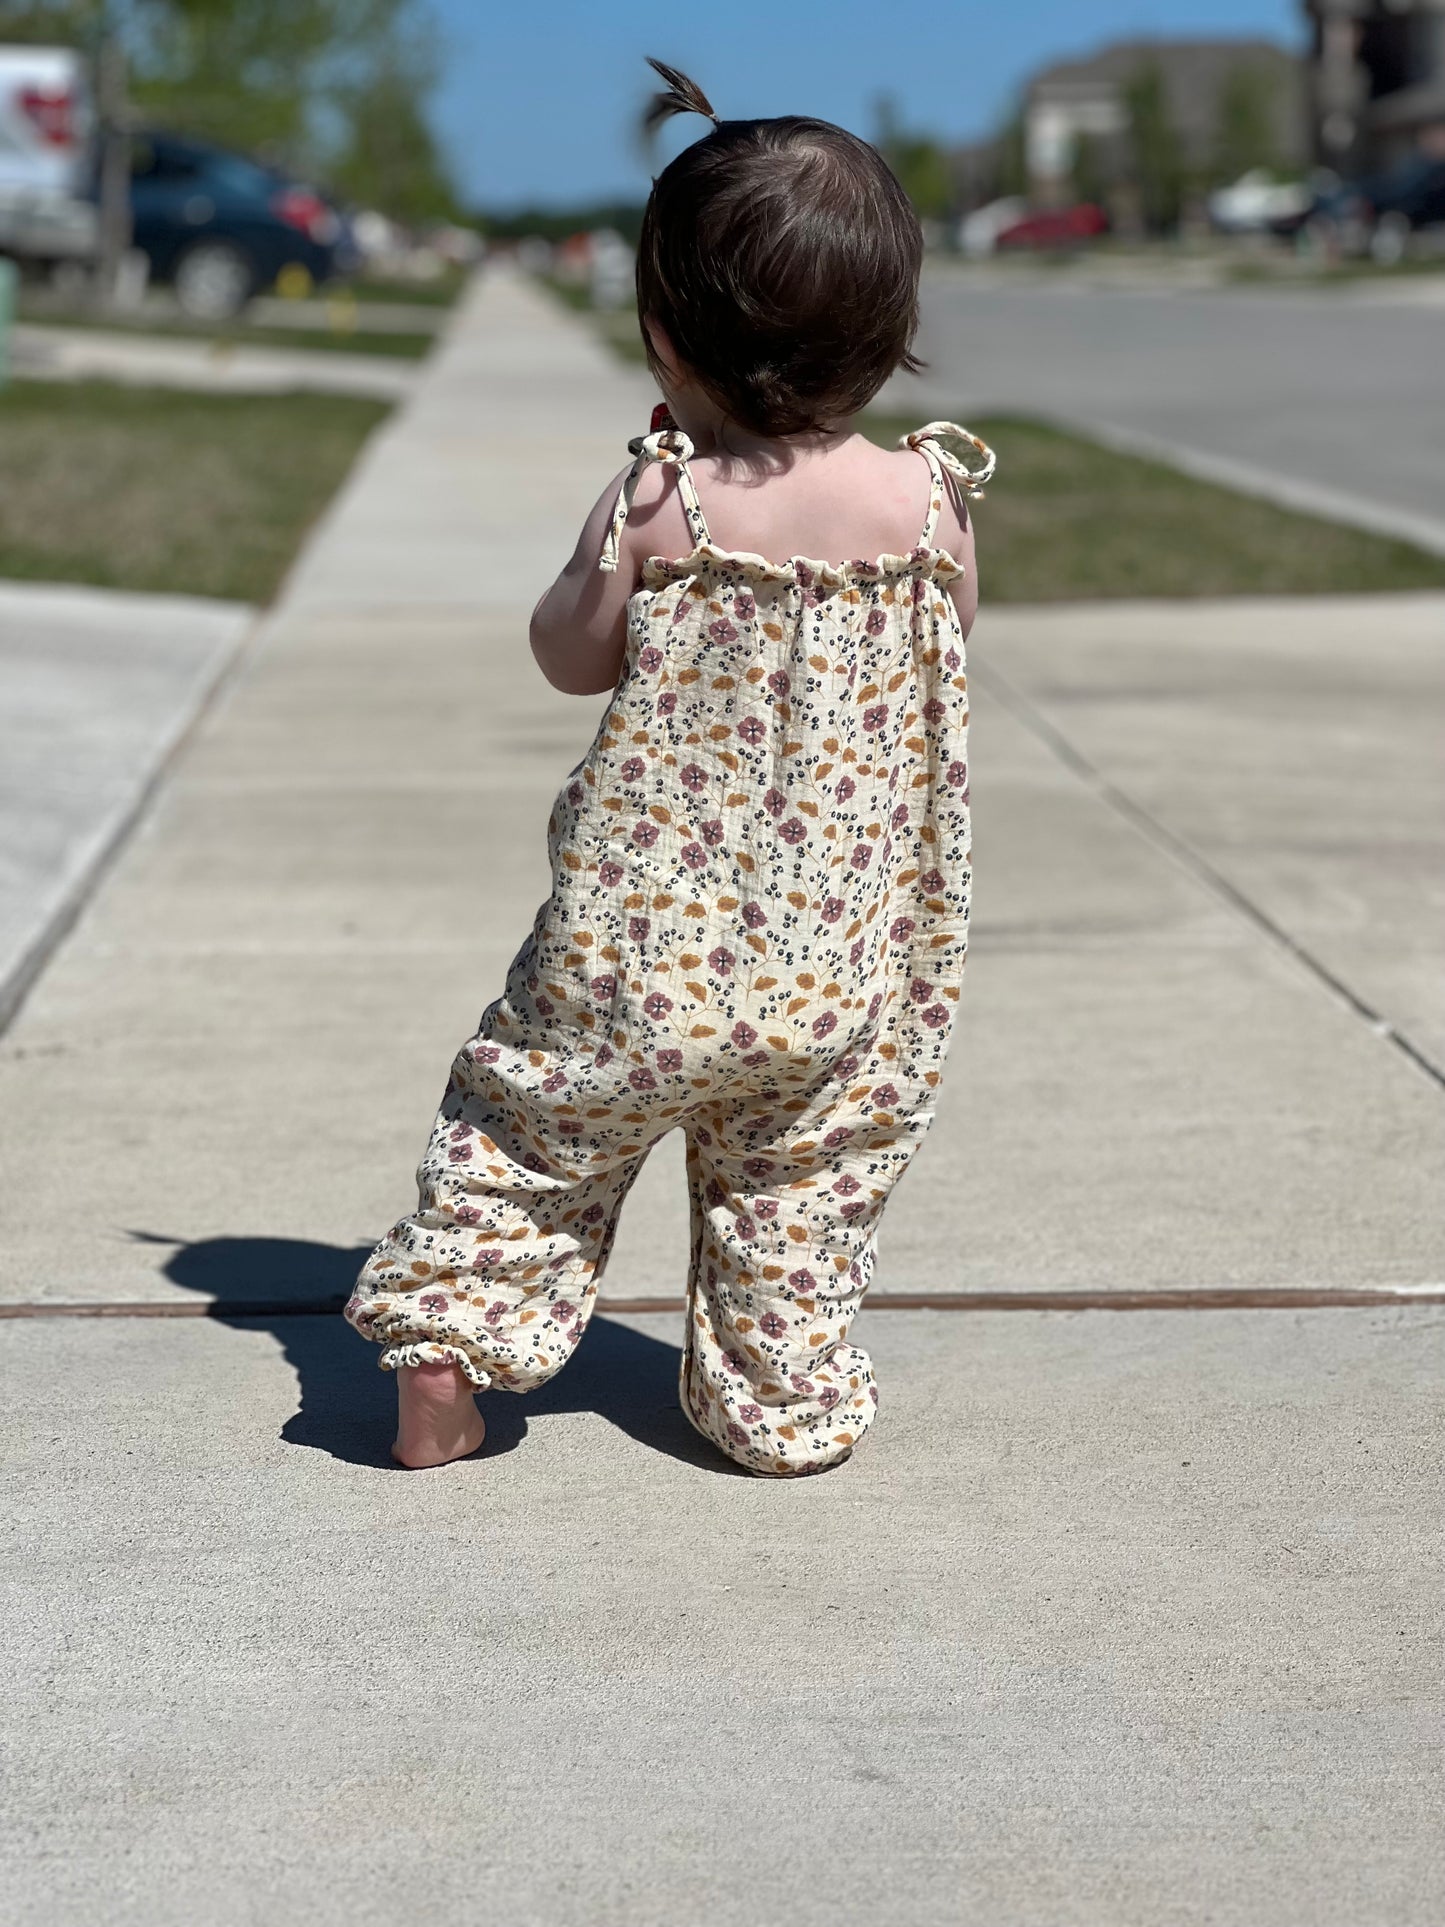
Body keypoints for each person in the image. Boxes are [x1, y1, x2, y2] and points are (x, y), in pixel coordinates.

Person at [344, 58, 996, 1476]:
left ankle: (449, 1352)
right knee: (797, 1186)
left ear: (662, 334)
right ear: (890, 337)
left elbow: (568, 657)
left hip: (630, 959)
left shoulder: (665, 503)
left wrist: (616, 557)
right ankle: (782, 1406)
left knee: (527, 1145)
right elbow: (949, 650)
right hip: (832, 966)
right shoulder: (927, 499)